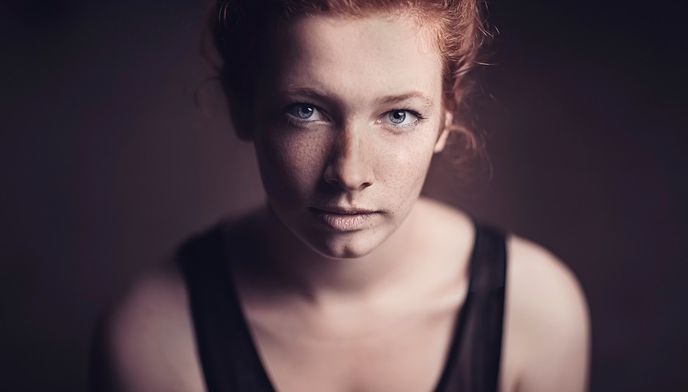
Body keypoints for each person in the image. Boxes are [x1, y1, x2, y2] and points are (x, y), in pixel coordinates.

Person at [90, 0, 591, 391]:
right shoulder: (153, 339)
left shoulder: (535, 312)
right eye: (305, 110)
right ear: (242, 105)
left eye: (398, 115)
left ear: (447, 114)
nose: (349, 173)